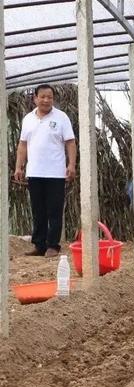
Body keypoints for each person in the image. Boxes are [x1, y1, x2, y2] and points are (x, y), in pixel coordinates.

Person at [13, 84, 77, 258]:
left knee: (54, 210)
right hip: (34, 172)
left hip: (56, 173)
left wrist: (71, 165)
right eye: (42, 97)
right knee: (38, 210)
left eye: (49, 97)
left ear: (53, 99)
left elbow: (70, 142)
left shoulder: (61, 117)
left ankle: (53, 246)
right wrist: (19, 166)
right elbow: (23, 145)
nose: (46, 100)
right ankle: (39, 245)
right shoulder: (28, 119)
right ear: (35, 98)